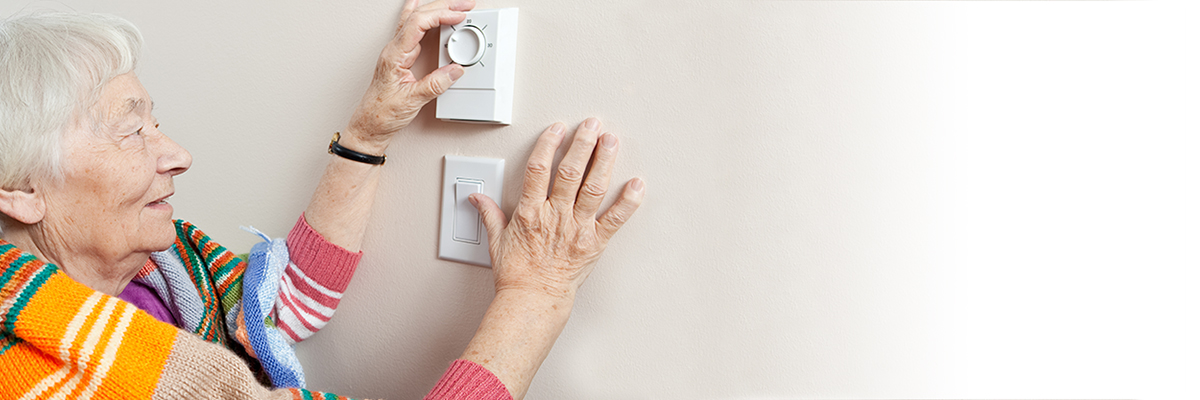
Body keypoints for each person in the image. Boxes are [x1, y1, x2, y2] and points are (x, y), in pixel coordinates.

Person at [0, 0, 645, 398]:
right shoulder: (38, 378)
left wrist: (368, 133)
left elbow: (278, 309)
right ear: (21, 190)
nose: (177, 154)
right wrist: (537, 297)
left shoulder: (157, 279)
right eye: (132, 130)